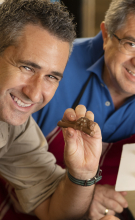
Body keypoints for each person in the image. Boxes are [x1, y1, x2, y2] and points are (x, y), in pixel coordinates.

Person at [33, 0, 135, 219]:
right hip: (28, 203)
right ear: (106, 35)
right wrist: (81, 193)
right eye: (131, 44)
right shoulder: (58, 61)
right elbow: (11, 156)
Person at [0, 0, 119, 220]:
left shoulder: (15, 127)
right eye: (27, 67)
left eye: (51, 77)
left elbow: (53, 209)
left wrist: (82, 174)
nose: (35, 94)